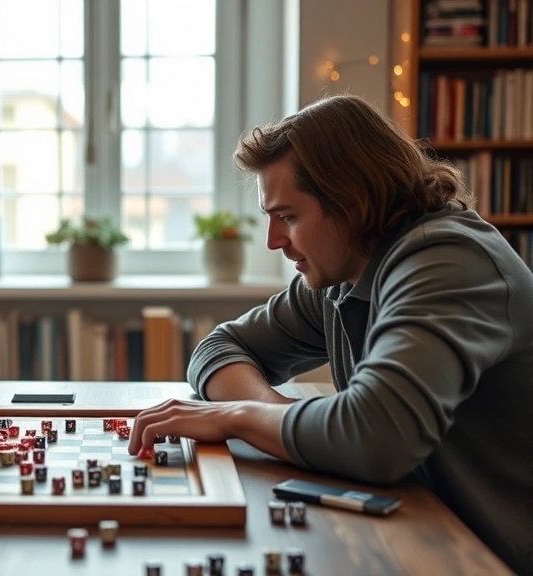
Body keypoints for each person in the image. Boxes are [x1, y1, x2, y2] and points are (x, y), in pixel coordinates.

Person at [128, 94, 533, 574]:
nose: (274, 241)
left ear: (351, 202)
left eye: (289, 217)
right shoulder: (346, 269)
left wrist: (239, 416)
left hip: (493, 556)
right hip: (424, 530)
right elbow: (218, 348)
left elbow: (375, 438)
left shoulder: (448, 262)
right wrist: (277, 418)